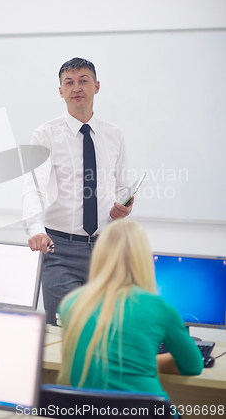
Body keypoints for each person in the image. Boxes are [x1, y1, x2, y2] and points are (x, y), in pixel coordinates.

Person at [25, 57, 134, 324]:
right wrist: (35, 229)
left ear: (96, 86)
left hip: (105, 250)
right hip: (60, 250)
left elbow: (123, 186)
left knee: (106, 330)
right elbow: (33, 188)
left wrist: (126, 205)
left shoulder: (114, 134)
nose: (76, 88)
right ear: (60, 91)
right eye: (69, 83)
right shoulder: (45, 135)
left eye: (83, 81)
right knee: (64, 336)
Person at [57, 220, 203, 397]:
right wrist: (143, 361)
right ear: (143, 259)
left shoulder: (71, 304)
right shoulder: (161, 309)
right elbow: (193, 366)